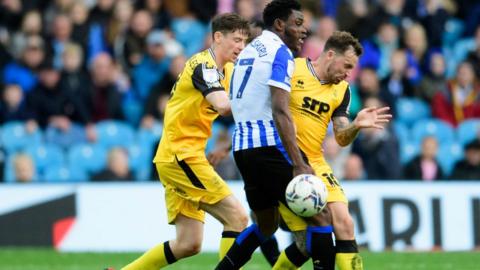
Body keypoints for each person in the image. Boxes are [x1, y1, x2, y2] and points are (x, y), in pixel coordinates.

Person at [121, 13, 250, 269]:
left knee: (188, 244)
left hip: (183, 156)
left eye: (244, 41)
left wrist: (225, 145)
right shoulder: (203, 65)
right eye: (236, 39)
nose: (241, 47)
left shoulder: (230, 70)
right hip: (181, 156)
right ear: (217, 37)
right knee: (237, 217)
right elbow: (224, 106)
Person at [217, 1, 338, 269]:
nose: (304, 30)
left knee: (267, 224)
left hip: (243, 149)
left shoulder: (248, 52)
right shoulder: (279, 52)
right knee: (321, 216)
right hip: (269, 145)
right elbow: (280, 109)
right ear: (280, 25)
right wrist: (299, 163)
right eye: (297, 23)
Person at [276, 30, 392, 270]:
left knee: (345, 223)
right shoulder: (293, 68)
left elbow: (340, 137)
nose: (349, 73)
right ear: (330, 54)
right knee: (307, 243)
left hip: (316, 162)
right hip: (285, 158)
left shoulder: (343, 91)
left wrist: (356, 126)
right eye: (347, 65)